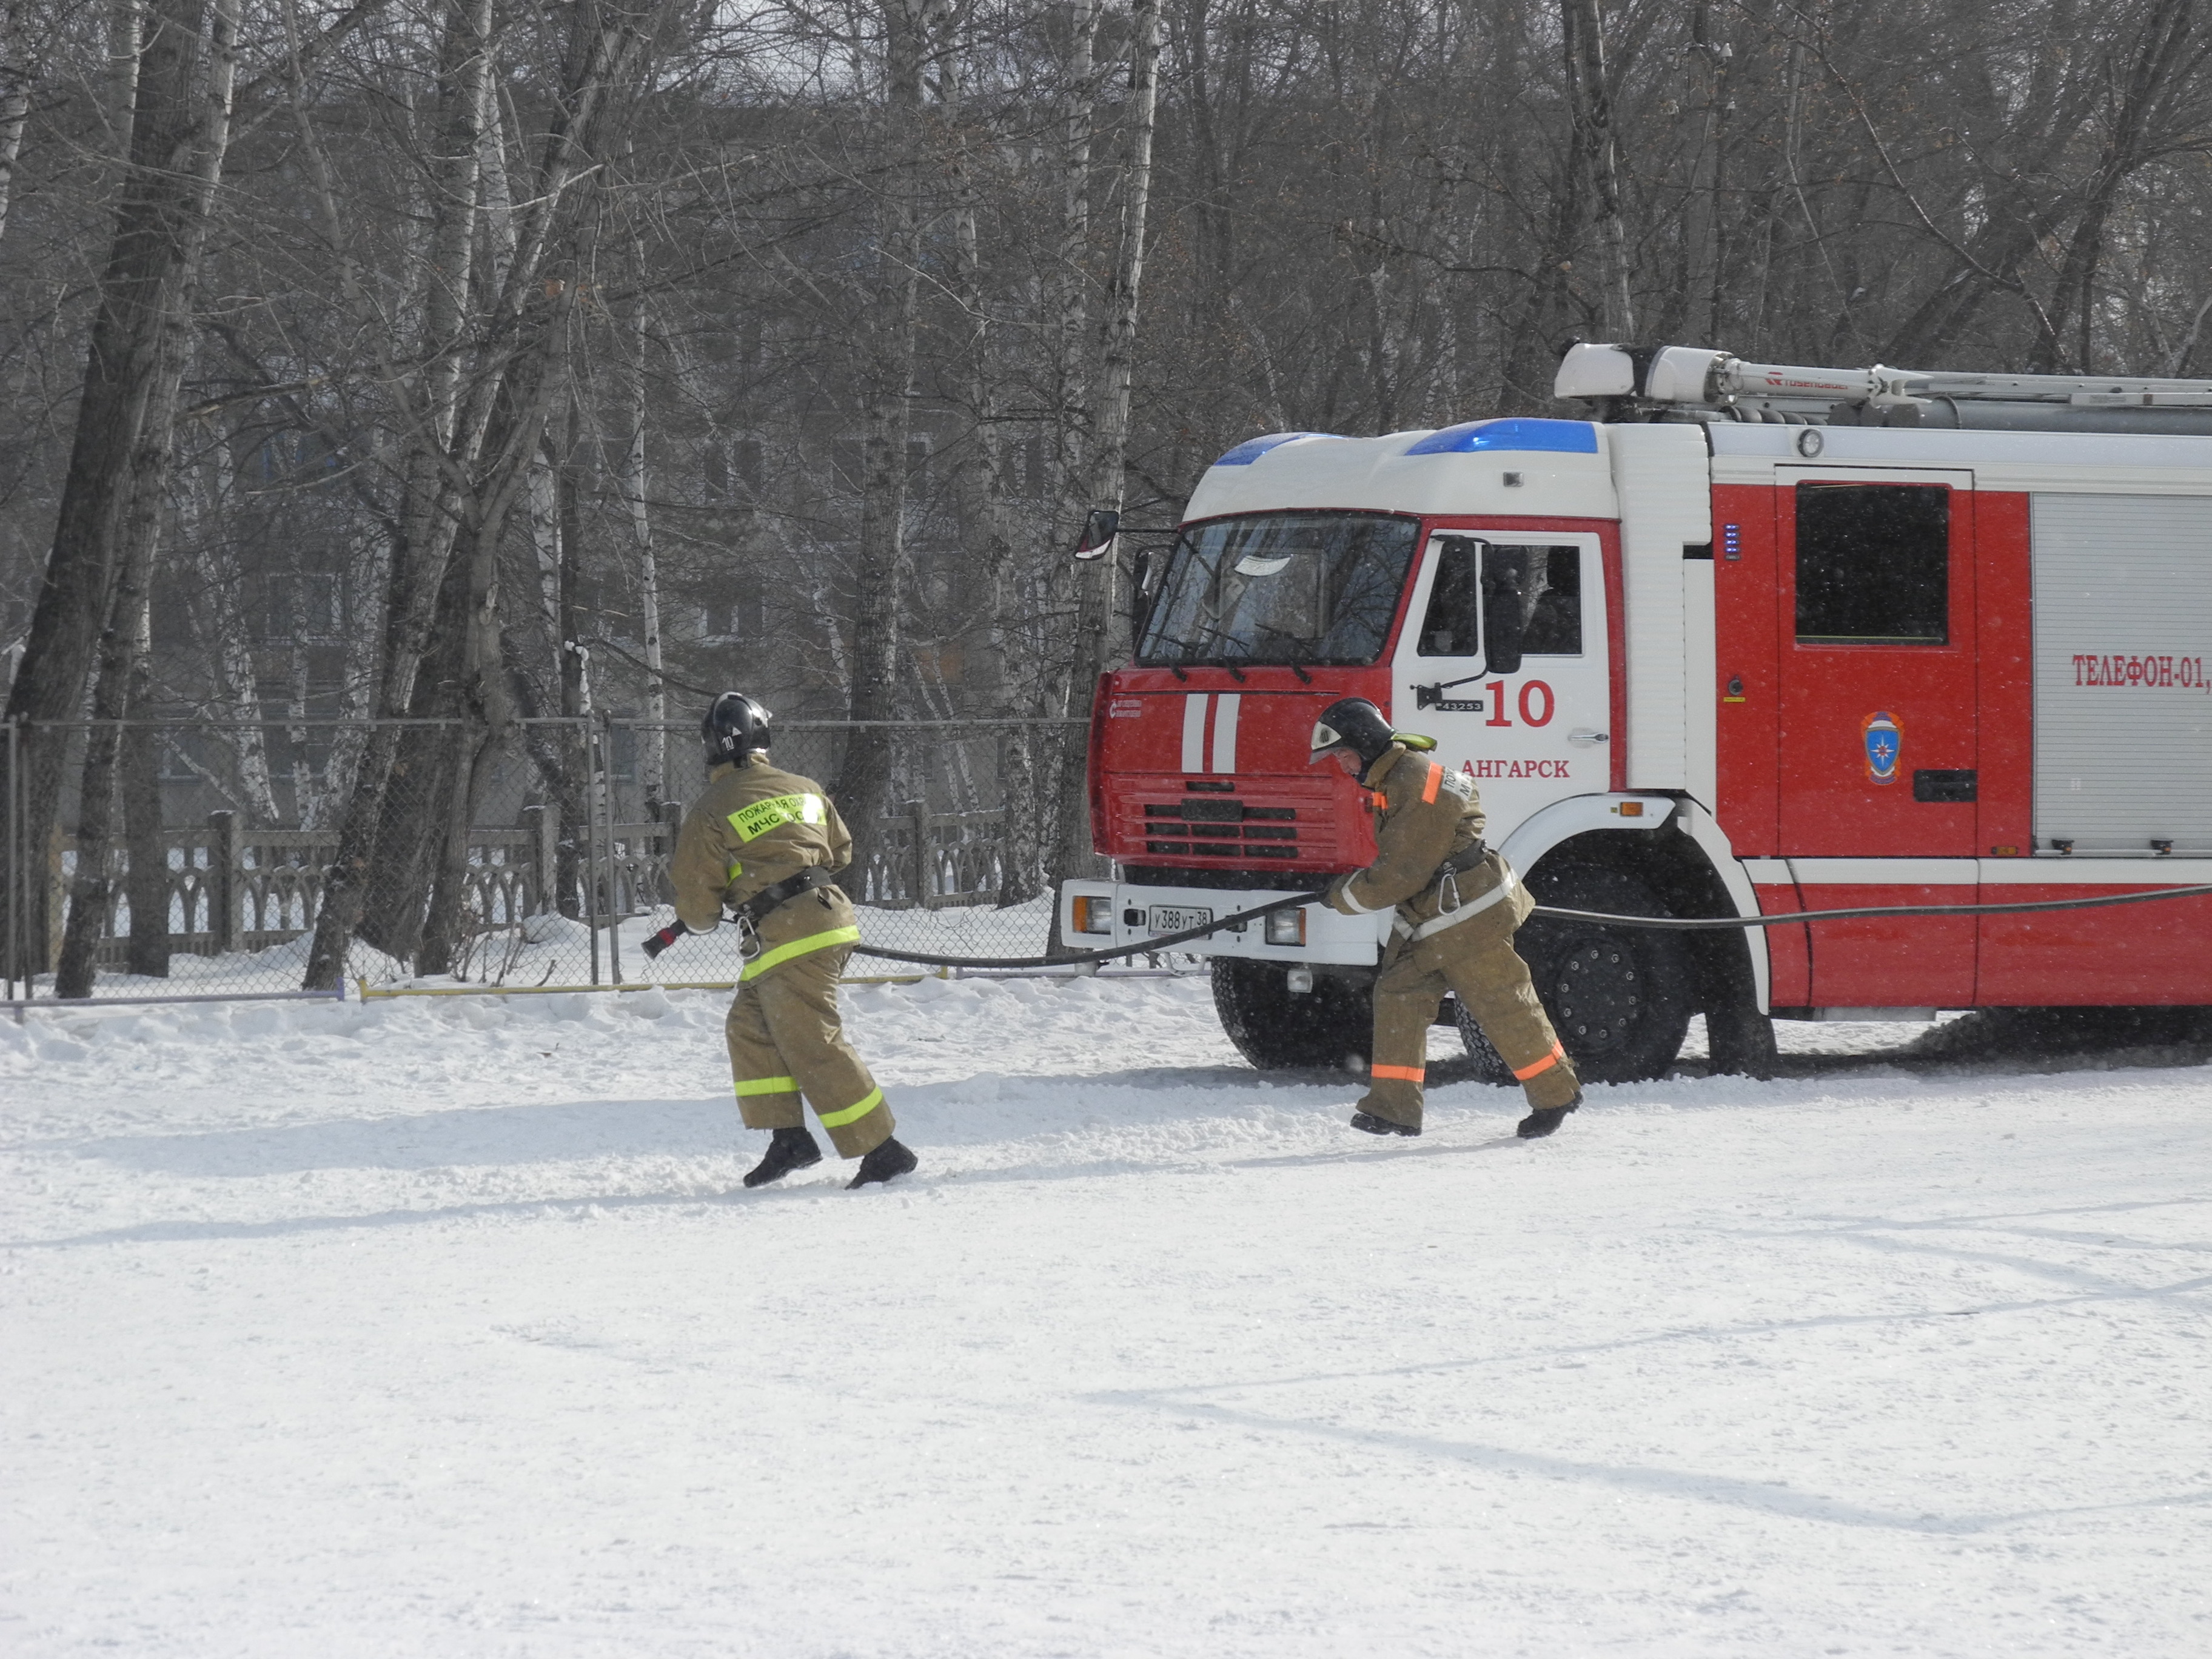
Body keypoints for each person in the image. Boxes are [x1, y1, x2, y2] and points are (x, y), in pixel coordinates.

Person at [651, 692, 918, 1189]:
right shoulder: (804, 788)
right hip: (819, 919)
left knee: (812, 1040)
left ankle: (883, 1150)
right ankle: (790, 1139)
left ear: (710, 747)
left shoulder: (712, 808)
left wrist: (714, 905)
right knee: (750, 1026)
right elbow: (840, 852)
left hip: (790, 935)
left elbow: (699, 904)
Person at [1311, 697, 1583, 1140]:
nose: (1341, 765)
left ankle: (1556, 1094)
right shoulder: (1397, 776)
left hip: (1466, 912)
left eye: (1343, 754)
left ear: (1366, 743)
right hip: (1437, 909)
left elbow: (1402, 872)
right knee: (1399, 994)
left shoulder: (1415, 783)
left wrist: (1343, 895)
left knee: (1503, 1004)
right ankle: (1393, 1110)